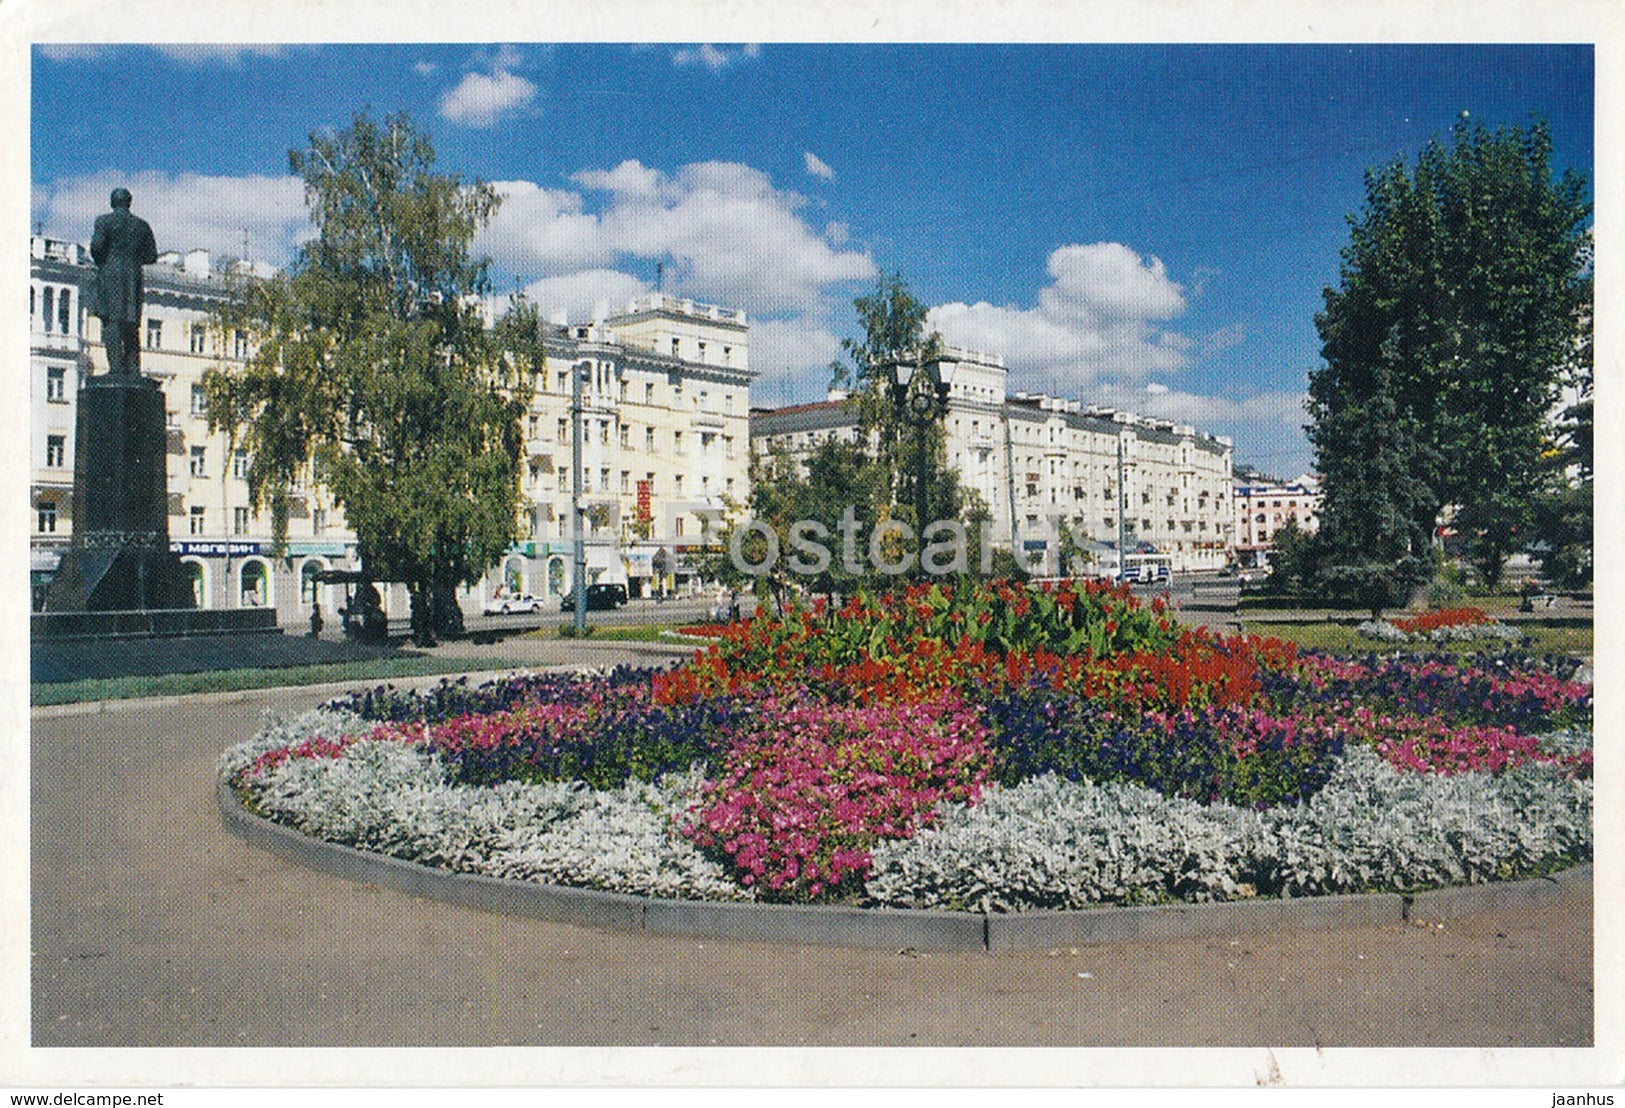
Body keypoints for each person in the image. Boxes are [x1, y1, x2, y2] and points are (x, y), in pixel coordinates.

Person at [90, 188, 158, 376]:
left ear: (112, 202)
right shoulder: (142, 225)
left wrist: (107, 259)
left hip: (110, 277)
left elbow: (96, 248)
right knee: (131, 325)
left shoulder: (104, 221)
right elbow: (152, 256)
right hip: (133, 279)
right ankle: (133, 369)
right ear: (129, 202)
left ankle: (116, 369)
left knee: (112, 323)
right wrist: (134, 259)